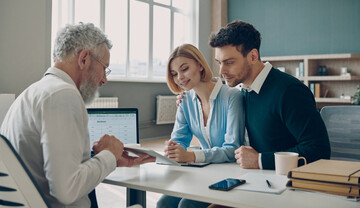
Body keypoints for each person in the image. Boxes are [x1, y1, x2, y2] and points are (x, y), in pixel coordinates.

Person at [0, 23, 154, 208]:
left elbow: (47, 164)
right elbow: (67, 190)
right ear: (84, 58)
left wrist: (107, 159)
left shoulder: (33, 93)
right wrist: (109, 154)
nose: (104, 79)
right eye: (104, 68)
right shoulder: (62, 95)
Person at [208, 20, 331, 170]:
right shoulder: (242, 92)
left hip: (289, 183)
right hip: (256, 178)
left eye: (229, 62)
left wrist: (260, 160)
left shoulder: (290, 91)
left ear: (253, 56)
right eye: (219, 63)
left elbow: (319, 150)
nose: (221, 71)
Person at [156, 44, 245, 208]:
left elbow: (232, 149)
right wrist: (172, 149)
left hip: (232, 173)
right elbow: (179, 140)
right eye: (174, 74)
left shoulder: (232, 96)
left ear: (200, 65)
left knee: (186, 205)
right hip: (205, 171)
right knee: (163, 203)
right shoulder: (184, 101)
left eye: (184, 69)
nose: (180, 78)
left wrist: (191, 156)